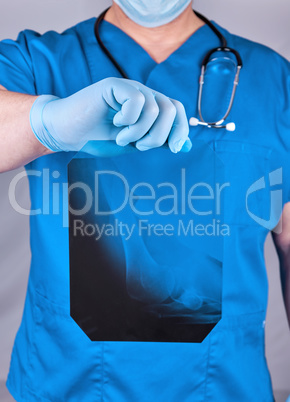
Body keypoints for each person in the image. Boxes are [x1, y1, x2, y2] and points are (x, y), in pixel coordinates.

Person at [0, 1, 289, 400]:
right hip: (67, 384)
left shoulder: (276, 82)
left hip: (225, 386)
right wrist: (45, 121)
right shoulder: (38, 62)